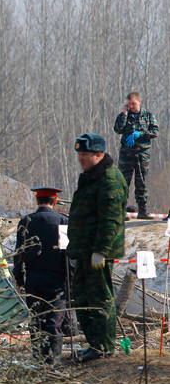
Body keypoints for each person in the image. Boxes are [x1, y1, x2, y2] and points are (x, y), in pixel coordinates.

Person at [67, 133, 127, 362]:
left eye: (85, 154)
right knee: (81, 298)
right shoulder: (92, 176)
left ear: (99, 155)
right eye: (80, 153)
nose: (81, 158)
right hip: (84, 250)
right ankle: (95, 344)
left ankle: (103, 347)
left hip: (97, 252)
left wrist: (100, 250)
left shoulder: (109, 180)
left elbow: (110, 220)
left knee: (100, 299)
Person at [14, 187, 70, 365]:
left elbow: (19, 253)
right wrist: (71, 279)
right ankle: (53, 361)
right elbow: (68, 253)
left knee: (35, 319)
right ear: (54, 201)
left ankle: (38, 359)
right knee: (53, 320)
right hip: (57, 279)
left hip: (33, 278)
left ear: (37, 201)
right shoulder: (62, 221)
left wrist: (19, 278)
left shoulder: (26, 221)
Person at [113, 91, 158, 219]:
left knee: (141, 182)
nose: (131, 106)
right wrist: (124, 114)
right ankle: (121, 211)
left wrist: (141, 134)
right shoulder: (125, 116)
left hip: (142, 154)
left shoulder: (148, 116)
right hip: (126, 155)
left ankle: (142, 211)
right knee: (123, 182)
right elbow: (117, 129)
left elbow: (155, 131)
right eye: (129, 104)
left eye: (133, 104)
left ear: (139, 102)